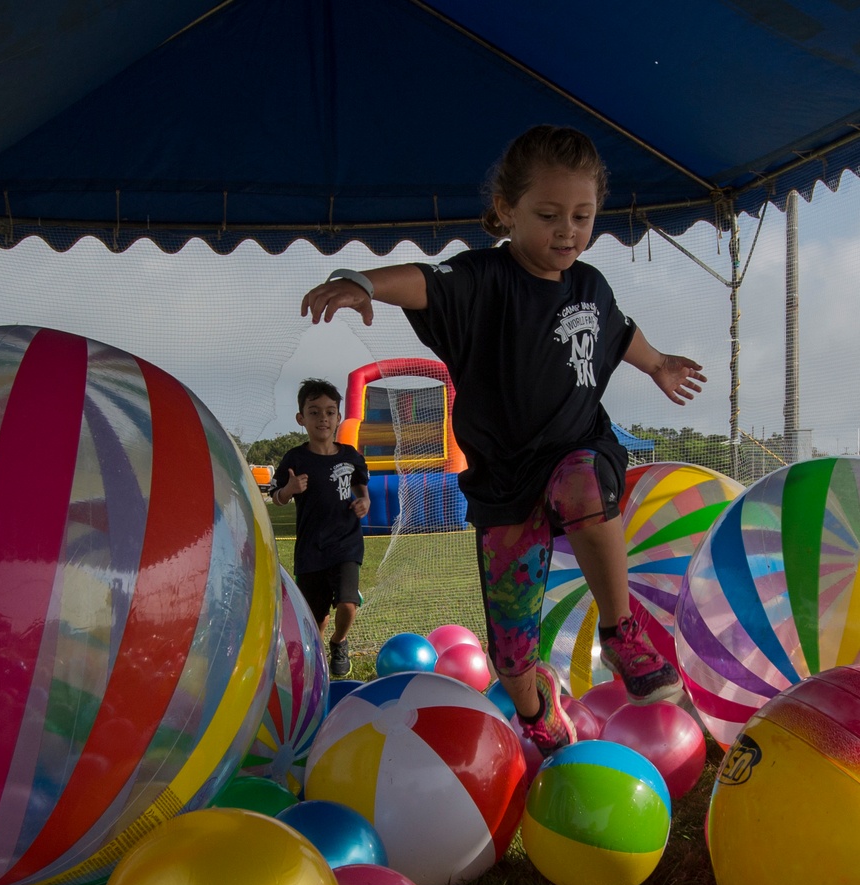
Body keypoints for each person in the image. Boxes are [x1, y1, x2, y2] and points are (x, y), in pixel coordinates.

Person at [300, 125, 705, 752]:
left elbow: (620, 333)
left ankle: (622, 632)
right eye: (548, 215)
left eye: (582, 215)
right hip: (503, 481)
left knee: (580, 482)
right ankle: (538, 712)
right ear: (505, 212)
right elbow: (427, 282)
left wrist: (658, 365)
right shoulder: (484, 278)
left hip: (576, 450)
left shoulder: (590, 286)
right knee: (511, 653)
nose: (567, 230)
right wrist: (365, 283)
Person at [272, 379, 371, 679]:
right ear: (301, 418)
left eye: (329, 412)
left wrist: (363, 502)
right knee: (314, 618)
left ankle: (339, 642)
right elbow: (276, 498)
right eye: (314, 412)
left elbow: (362, 491)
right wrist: (289, 488)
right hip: (311, 548)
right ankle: (313, 657)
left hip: (346, 543)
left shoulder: (351, 456)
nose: (323, 419)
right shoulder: (295, 459)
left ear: (339, 417)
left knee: (348, 603)